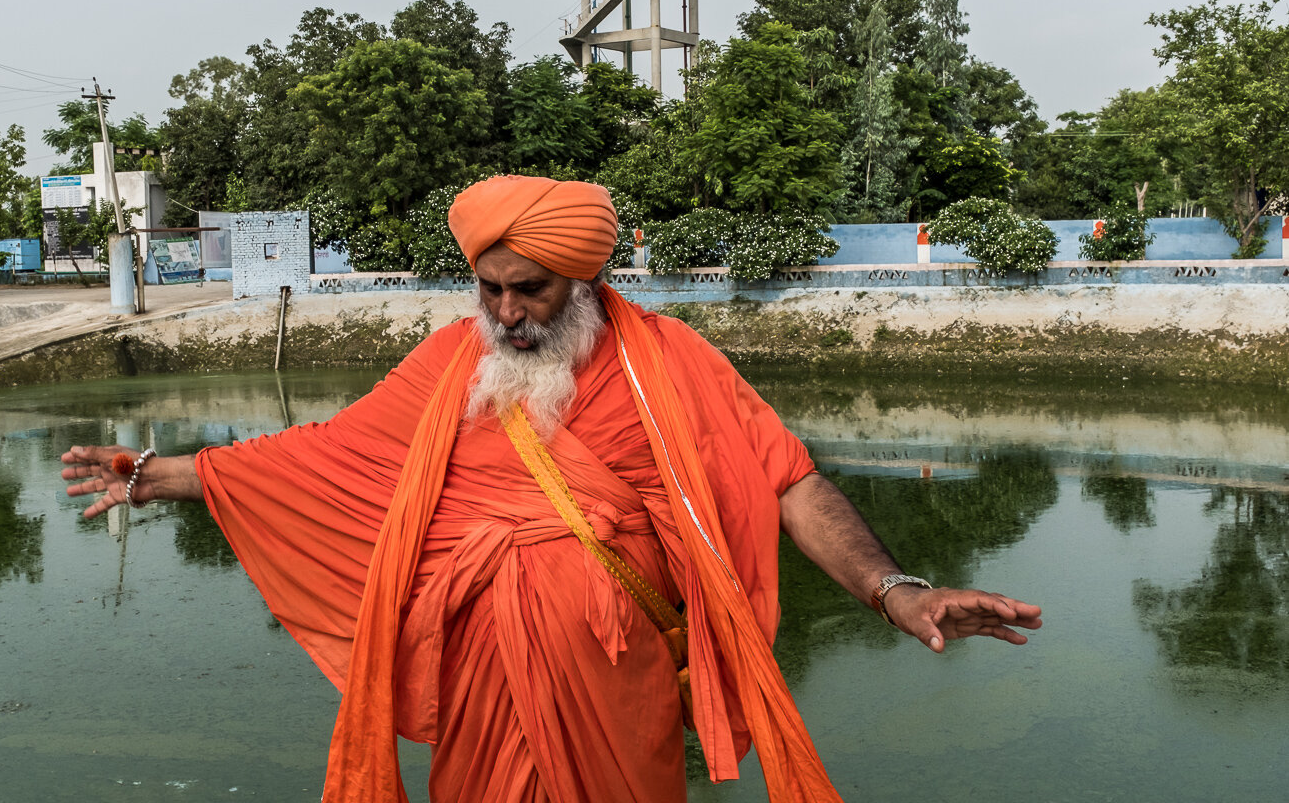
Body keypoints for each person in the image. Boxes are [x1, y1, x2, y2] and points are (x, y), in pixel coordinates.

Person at [62, 175, 1041, 803]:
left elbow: (788, 482)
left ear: (581, 276)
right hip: (484, 678)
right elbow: (323, 457)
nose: (507, 310)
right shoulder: (453, 365)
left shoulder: (671, 364)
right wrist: (154, 475)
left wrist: (895, 588)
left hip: (617, 685)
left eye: (529, 287)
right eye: (489, 288)